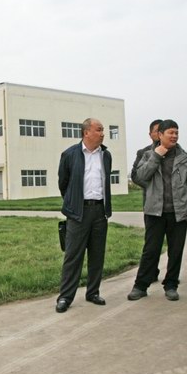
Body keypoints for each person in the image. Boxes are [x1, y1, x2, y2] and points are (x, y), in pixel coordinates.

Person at [127, 119, 187, 302]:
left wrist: (183, 196)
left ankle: (171, 285)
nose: (174, 136)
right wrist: (156, 155)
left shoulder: (184, 157)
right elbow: (141, 176)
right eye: (170, 133)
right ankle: (140, 286)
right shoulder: (147, 155)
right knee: (150, 250)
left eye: (176, 132)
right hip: (155, 212)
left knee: (176, 251)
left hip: (178, 212)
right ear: (160, 135)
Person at [55, 118, 112, 313]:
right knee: (73, 256)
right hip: (78, 212)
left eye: (103, 130)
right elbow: (63, 183)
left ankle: (93, 292)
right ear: (86, 132)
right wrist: (73, 202)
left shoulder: (105, 155)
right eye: (99, 129)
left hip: (100, 211)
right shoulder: (70, 154)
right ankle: (65, 297)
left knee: (97, 255)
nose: (102, 133)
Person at [131, 119, 162, 282]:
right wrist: (152, 187)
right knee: (151, 241)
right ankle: (151, 272)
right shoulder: (143, 153)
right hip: (151, 204)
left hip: (171, 205)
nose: (159, 134)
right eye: (157, 131)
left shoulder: (176, 153)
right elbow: (136, 175)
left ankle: (171, 278)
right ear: (150, 134)